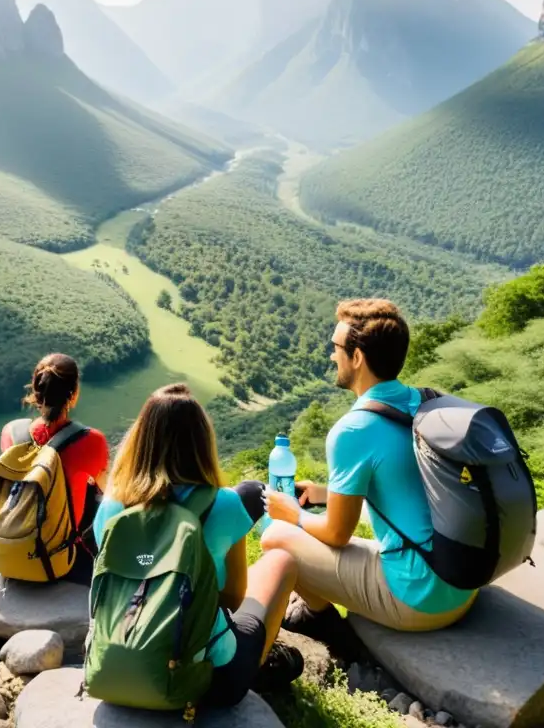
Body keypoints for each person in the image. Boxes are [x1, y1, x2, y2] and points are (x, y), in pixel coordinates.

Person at [262, 299, 477, 649]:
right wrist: (321, 495)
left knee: (276, 538)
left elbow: (336, 533)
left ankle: (329, 630)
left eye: (336, 348)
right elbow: (404, 487)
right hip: (462, 581)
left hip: (420, 598)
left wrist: (293, 513)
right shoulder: (425, 402)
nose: (332, 356)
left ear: (357, 357)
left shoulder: (354, 430)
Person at [93, 384, 304, 708]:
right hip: (207, 679)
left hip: (115, 671)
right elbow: (233, 598)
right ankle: (258, 666)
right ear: (201, 444)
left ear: (141, 439)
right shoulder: (223, 505)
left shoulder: (110, 508)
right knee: (281, 561)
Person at [0, 353, 109, 586]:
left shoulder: (11, 433)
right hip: (59, 561)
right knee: (97, 497)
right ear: (74, 393)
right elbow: (108, 491)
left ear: (35, 390)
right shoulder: (91, 441)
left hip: (9, 554)